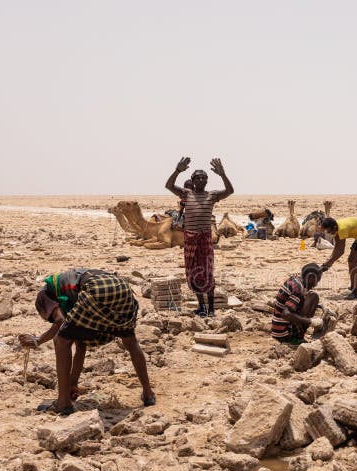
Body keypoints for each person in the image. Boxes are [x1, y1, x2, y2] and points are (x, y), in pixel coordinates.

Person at [19, 268, 155, 415]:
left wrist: (38, 340)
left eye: (49, 316)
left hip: (98, 288)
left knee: (61, 341)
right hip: (123, 289)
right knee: (130, 341)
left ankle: (63, 402)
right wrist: (73, 383)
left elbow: (59, 324)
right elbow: (80, 345)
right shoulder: (71, 289)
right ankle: (148, 394)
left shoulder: (49, 293)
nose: (52, 318)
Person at [166, 156, 234, 317]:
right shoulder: (186, 194)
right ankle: (201, 306)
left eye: (205, 177)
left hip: (205, 240)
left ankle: (211, 309)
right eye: (199, 177)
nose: (202, 179)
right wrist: (177, 170)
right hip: (190, 240)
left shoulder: (212, 195)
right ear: (193, 180)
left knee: (208, 272)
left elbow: (230, 191)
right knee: (193, 272)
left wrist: (223, 174)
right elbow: (168, 185)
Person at [320, 217, 357, 300]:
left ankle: (355, 292)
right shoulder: (335, 228)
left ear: (334, 228)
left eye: (328, 231)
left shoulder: (341, 229)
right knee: (350, 260)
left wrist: (328, 263)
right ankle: (353, 286)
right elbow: (337, 248)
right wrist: (328, 262)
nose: (328, 233)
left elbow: (340, 251)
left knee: (356, 262)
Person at [271, 263, 325, 344]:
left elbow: (295, 301)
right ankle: (296, 338)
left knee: (312, 296)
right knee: (314, 297)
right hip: (283, 333)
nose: (316, 285)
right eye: (317, 280)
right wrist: (309, 321)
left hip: (277, 329)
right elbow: (286, 314)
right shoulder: (298, 290)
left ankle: (296, 335)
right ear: (310, 277)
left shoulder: (295, 279)